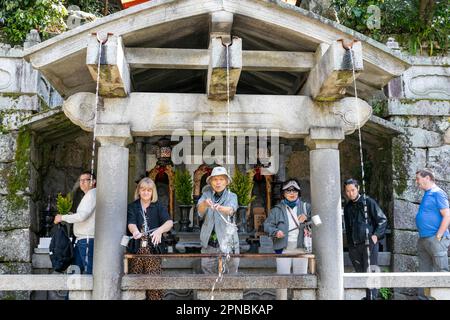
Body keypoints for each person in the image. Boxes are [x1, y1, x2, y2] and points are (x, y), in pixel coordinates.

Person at [263, 178, 311, 300]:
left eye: (294, 190)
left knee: (300, 281)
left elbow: (319, 222)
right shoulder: (276, 210)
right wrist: (275, 232)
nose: (291, 193)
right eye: (288, 191)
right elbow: (267, 225)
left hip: (301, 249)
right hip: (283, 249)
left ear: (298, 193)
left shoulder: (306, 207)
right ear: (283, 194)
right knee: (282, 281)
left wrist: (306, 219)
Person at [127, 177, 173, 300]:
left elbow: (169, 223)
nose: (146, 192)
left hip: (154, 249)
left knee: (153, 281)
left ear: (153, 192)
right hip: (137, 249)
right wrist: (135, 231)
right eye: (143, 189)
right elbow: (131, 223)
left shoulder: (158, 206)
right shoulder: (133, 206)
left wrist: (159, 230)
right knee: (137, 283)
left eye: (149, 190)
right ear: (138, 191)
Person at [343, 178, 387, 300]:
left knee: (371, 271)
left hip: (369, 243)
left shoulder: (368, 202)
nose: (350, 193)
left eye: (353, 190)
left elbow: (382, 220)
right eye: (347, 191)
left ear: (358, 189)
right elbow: (348, 227)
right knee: (361, 273)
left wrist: (376, 235)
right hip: (354, 246)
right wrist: (350, 245)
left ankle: (373, 297)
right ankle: (368, 296)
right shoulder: (347, 207)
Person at [415, 169, 450, 299]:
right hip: (424, 239)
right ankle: (424, 298)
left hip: (435, 239)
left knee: (441, 272)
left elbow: (447, 215)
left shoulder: (438, 193)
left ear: (427, 178)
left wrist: (438, 236)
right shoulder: (427, 194)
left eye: (418, 178)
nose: (416, 182)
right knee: (424, 273)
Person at [197, 166, 239, 274]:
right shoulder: (206, 195)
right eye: (215, 179)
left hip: (228, 242)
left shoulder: (232, 196)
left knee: (230, 273)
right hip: (209, 243)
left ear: (226, 182)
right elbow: (199, 211)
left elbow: (231, 209)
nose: (218, 182)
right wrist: (205, 204)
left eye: (221, 179)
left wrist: (219, 208)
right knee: (207, 271)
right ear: (211, 182)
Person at [54, 171, 96, 274]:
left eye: (85, 180)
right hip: (81, 240)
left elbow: (82, 216)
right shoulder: (89, 195)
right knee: (75, 272)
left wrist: (62, 217)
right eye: (80, 180)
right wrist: (70, 215)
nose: (82, 183)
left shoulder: (92, 194)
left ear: (93, 181)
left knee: (87, 272)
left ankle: (88, 290)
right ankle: (72, 291)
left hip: (87, 239)